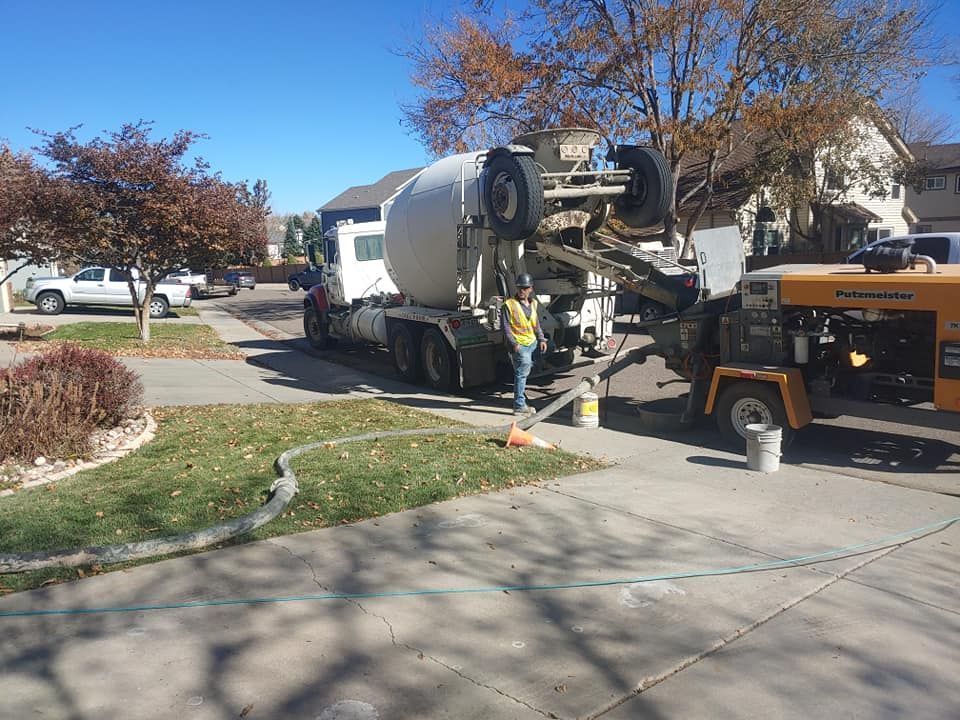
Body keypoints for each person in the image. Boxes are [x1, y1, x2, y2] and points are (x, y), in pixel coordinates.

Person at [501, 273, 548, 416]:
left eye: (525, 288)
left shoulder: (533, 303)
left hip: (531, 342)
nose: (522, 291)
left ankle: (522, 395)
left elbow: (536, 324)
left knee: (550, 348)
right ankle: (519, 405)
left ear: (530, 289)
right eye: (520, 288)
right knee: (522, 372)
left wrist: (541, 339)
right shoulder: (509, 305)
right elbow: (506, 327)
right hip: (519, 345)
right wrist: (514, 344)